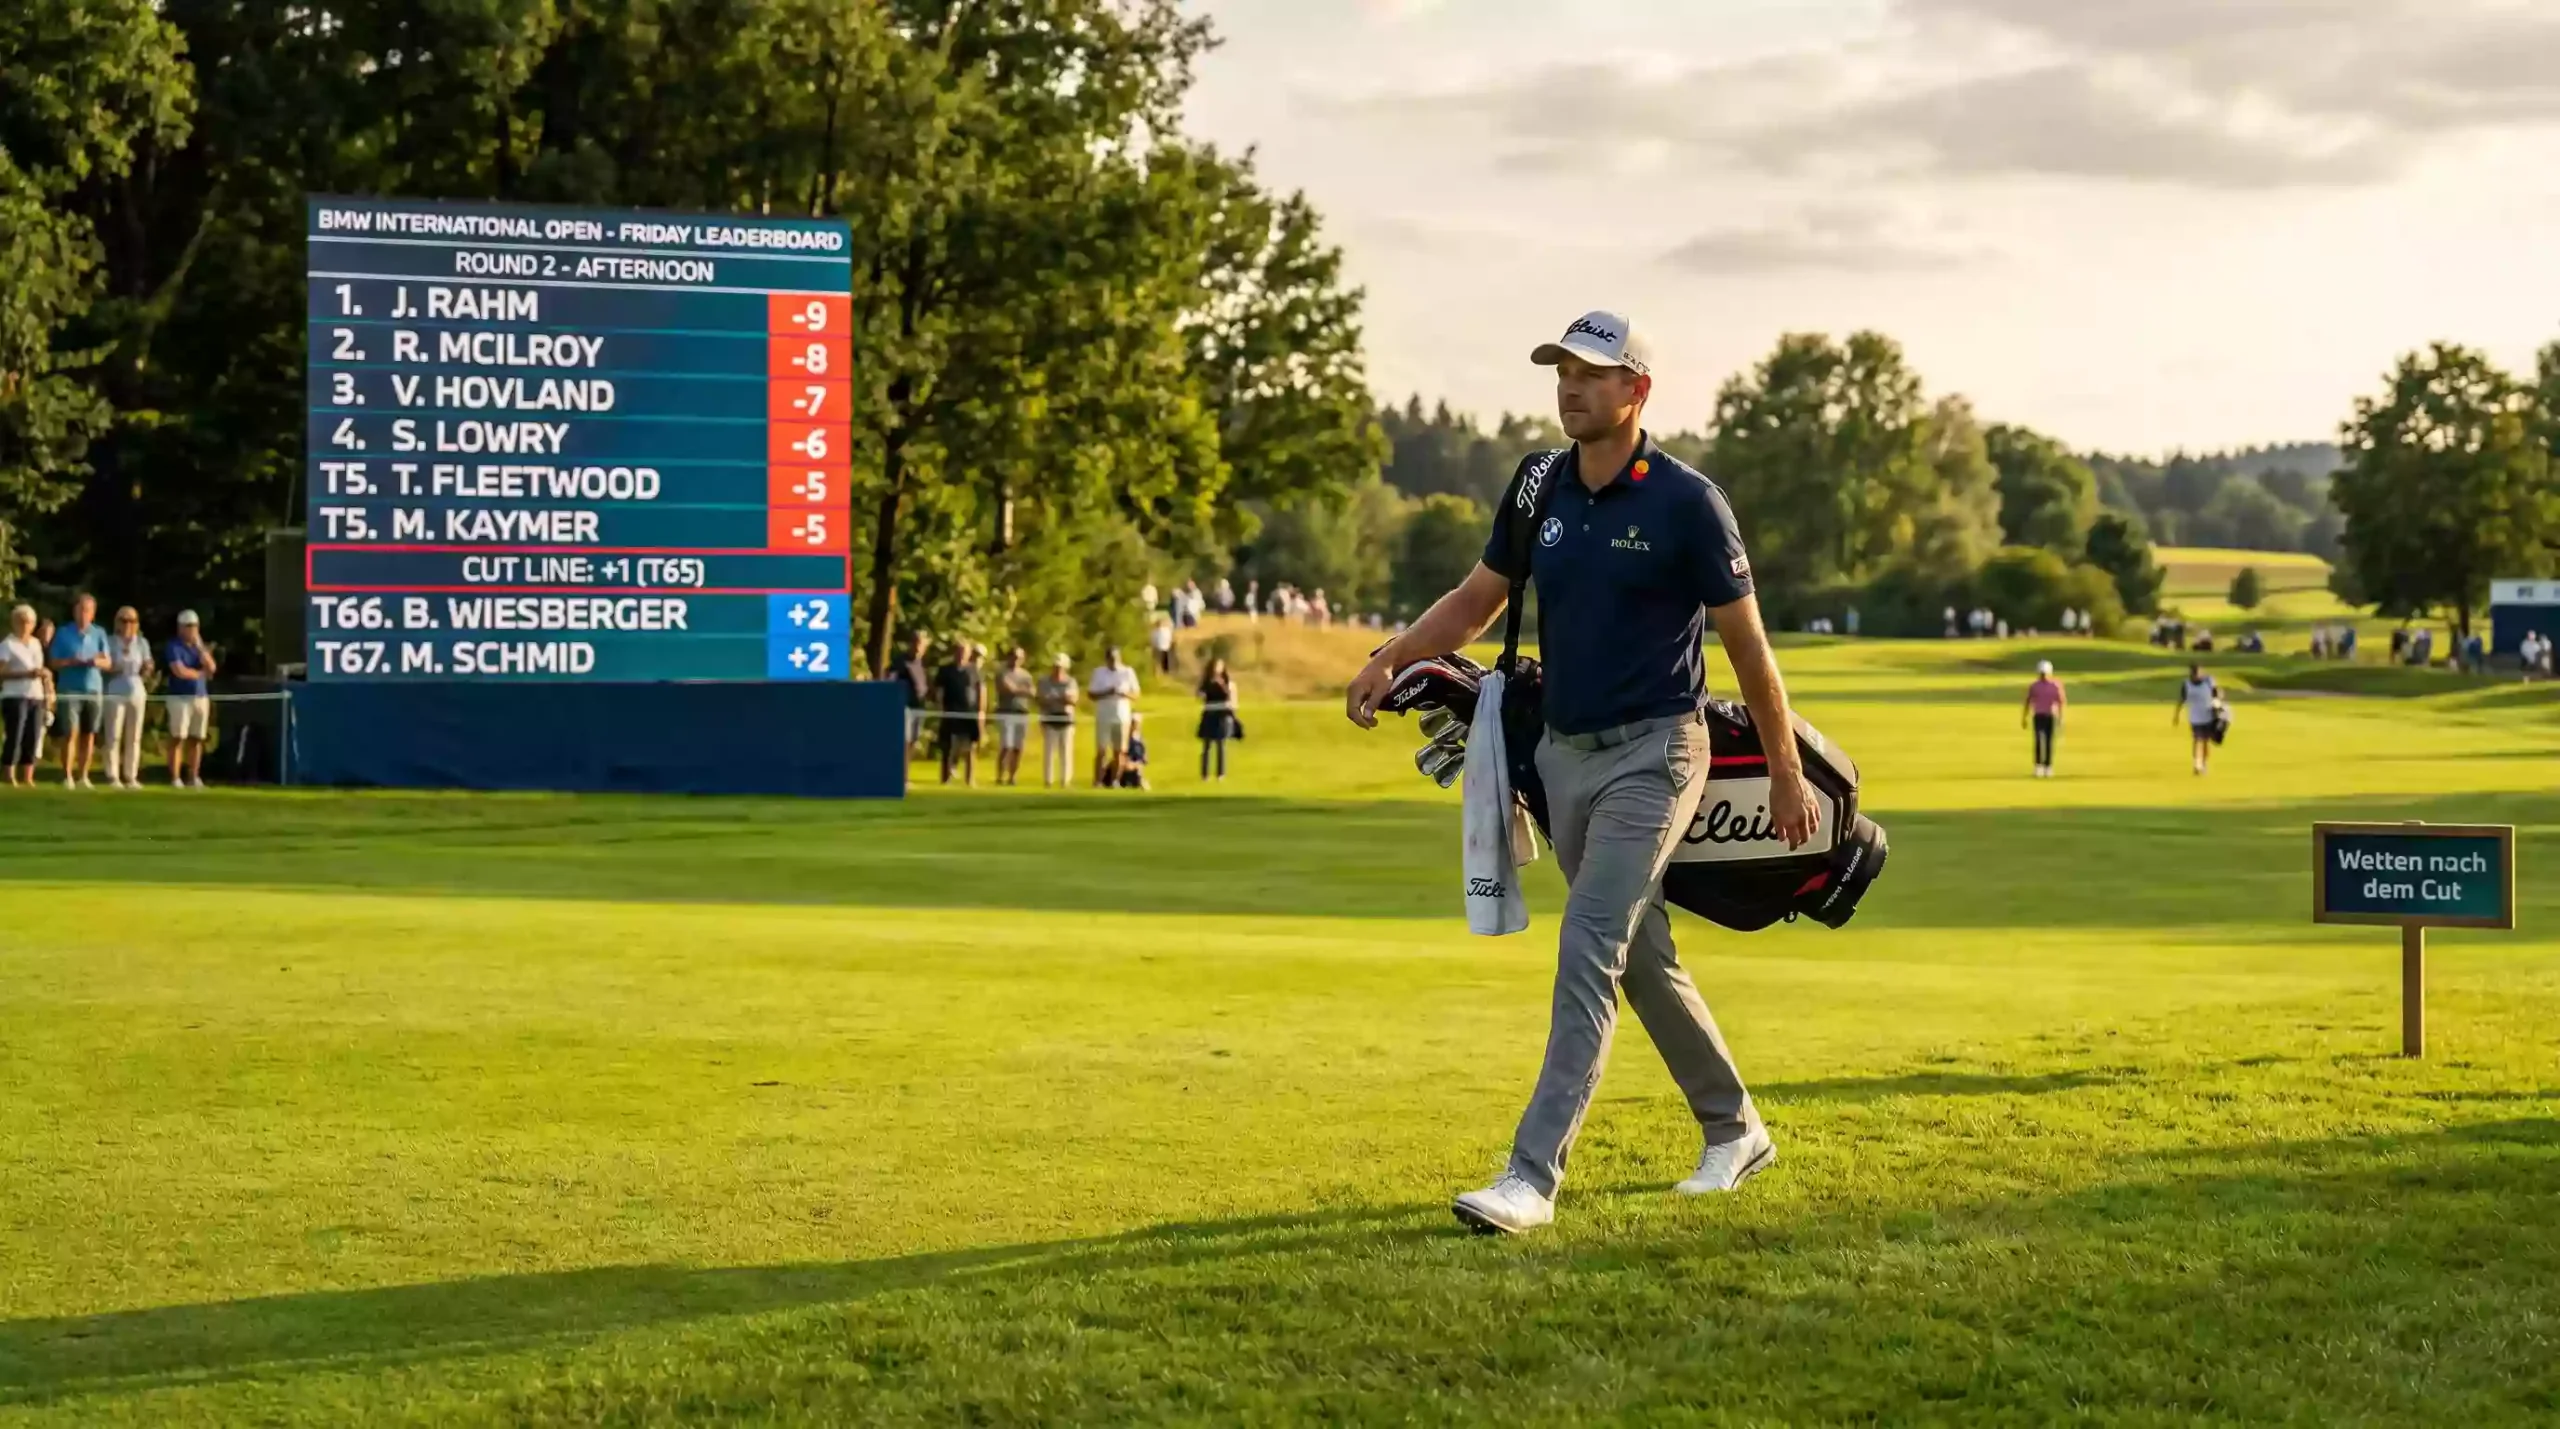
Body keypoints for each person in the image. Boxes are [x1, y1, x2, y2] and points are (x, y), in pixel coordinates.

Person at [1346, 310, 1810, 1236]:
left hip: (1659, 753)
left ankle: (1531, 1176)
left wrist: (1787, 769)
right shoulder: (1536, 487)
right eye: (1562, 370)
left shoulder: (1688, 502)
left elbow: (1750, 650)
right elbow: (1479, 601)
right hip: (1562, 756)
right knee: (1637, 953)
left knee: (1588, 945)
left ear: (1636, 391)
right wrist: (1391, 656)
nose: (1571, 386)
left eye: (1593, 374)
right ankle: (1736, 1127)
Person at [47, 593, 110, 788]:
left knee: (89, 733)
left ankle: (84, 776)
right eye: (80, 609)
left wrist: (94, 661)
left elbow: (107, 662)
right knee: (70, 733)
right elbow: (53, 662)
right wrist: (71, 661)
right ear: (74, 611)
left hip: (93, 689)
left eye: (88, 610)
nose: (83, 614)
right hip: (70, 688)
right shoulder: (63, 633)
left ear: (93, 613)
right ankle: (68, 776)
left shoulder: (99, 633)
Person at [102, 606, 154, 789]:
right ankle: (112, 775)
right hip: (115, 687)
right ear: (116, 622)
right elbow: (103, 664)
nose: (127, 624)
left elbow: (148, 663)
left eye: (131, 621)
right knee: (113, 734)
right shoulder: (109, 641)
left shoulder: (141, 643)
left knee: (134, 736)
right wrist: (113, 667)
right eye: (123, 620)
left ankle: (131, 775)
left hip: (136, 688)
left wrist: (147, 671)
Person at [164, 610, 215, 788]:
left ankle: (194, 777)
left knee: (197, 738)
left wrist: (201, 648)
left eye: (194, 626)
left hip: (200, 697)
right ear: (180, 628)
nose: (192, 630)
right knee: (178, 737)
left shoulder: (198, 647)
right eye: (188, 626)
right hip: (179, 697)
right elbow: (179, 671)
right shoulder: (173, 646)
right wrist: (200, 674)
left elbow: (212, 668)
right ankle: (175, 778)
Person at [1, 605, 44, 787]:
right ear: (15, 622)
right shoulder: (7, 645)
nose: (27, 625)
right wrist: (25, 674)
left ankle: (28, 775)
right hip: (14, 694)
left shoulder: (35, 643)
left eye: (30, 622)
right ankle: (9, 773)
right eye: (23, 622)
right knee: (15, 734)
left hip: (36, 695)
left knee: (32, 735)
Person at [934, 640, 986, 787]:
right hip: (950, 712)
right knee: (948, 747)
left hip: (969, 713)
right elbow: (939, 691)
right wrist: (940, 709)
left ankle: (970, 779)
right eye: (958, 651)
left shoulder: (974, 670)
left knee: (970, 748)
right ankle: (945, 779)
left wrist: (981, 712)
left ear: (969, 654)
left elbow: (980, 691)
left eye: (964, 651)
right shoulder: (945, 670)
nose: (961, 654)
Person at [1088, 647, 1140, 787]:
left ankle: (1115, 780)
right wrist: (1107, 692)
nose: (1113, 662)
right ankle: (1098, 781)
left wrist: (1124, 694)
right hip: (1104, 716)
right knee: (1102, 750)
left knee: (1120, 751)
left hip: (1122, 716)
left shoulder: (1127, 672)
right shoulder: (1099, 673)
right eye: (1111, 659)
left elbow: (1136, 695)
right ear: (1107, 659)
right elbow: (1091, 694)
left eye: (1116, 659)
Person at [989, 646, 1036, 786]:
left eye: (1019, 658)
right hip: (1006, 712)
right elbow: (1006, 689)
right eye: (1014, 657)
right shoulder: (1002, 673)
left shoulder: (1026, 675)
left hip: (1022, 712)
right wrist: (1022, 690)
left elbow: (1032, 693)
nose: (1016, 660)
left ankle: (1012, 777)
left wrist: (1017, 690)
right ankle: (1000, 776)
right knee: (1006, 745)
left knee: (1018, 747)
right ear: (1009, 657)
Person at [1037, 653, 1079, 787]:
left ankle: (1065, 781)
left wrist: (1054, 698)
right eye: (1055, 666)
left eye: (1060, 667)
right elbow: (1042, 699)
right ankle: (1048, 781)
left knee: (1066, 751)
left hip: (1066, 719)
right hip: (1050, 718)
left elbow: (1072, 700)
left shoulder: (1070, 682)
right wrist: (1061, 698)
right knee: (1049, 752)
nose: (1057, 669)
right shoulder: (1044, 681)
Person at [889, 631, 932, 756]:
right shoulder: (900, 662)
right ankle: (901, 772)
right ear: (911, 644)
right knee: (905, 740)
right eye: (916, 644)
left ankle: (905, 771)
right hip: (905, 707)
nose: (918, 648)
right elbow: (891, 679)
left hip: (919, 706)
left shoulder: (922, 663)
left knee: (914, 740)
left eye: (921, 645)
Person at [1197, 657, 1240, 781]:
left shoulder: (1227, 682)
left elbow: (1232, 698)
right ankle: (1204, 774)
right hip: (1209, 713)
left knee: (1221, 745)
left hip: (1222, 714)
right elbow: (1200, 695)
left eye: (1220, 665)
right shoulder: (1206, 682)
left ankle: (1221, 773)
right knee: (1206, 746)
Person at [2023, 659, 2066, 779]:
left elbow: (2061, 701)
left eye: (2045, 673)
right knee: (2038, 740)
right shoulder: (2034, 686)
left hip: (2050, 716)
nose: (2043, 675)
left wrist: (2061, 718)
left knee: (2048, 742)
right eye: (2041, 673)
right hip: (2038, 716)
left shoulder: (2055, 686)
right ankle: (2038, 766)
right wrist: (2024, 717)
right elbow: (2028, 701)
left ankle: (2048, 767)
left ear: (2050, 672)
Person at [2176, 663, 2220, 776]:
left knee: (2205, 741)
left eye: (2199, 672)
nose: (2197, 675)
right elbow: (2182, 699)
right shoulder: (2186, 684)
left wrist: (2217, 707)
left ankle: (2204, 764)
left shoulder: (2209, 681)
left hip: (2208, 715)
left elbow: (2216, 694)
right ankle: (2197, 764)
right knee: (2197, 740)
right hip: (2195, 717)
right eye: (2195, 673)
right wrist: (2176, 714)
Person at [1118, 713, 1151, 789]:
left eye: (1137, 723)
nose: (1136, 726)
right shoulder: (1125, 739)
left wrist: (1142, 759)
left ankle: (1141, 782)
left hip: (1136, 766)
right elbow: (1122, 755)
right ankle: (1142, 783)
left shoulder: (1140, 739)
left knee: (1138, 768)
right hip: (1127, 765)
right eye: (1134, 723)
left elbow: (1144, 756)